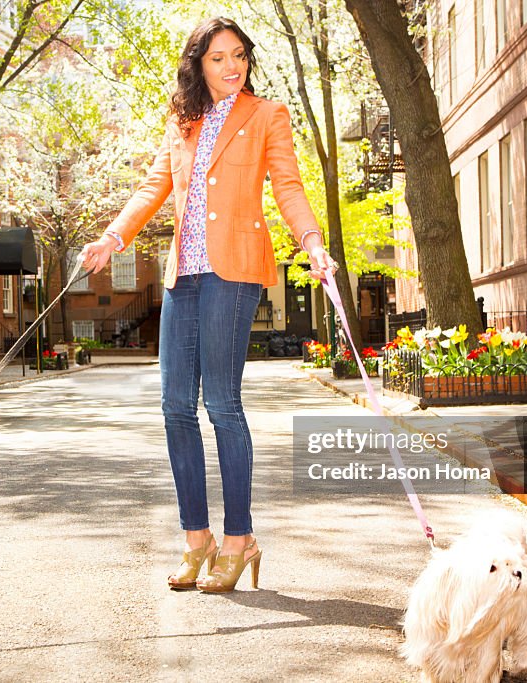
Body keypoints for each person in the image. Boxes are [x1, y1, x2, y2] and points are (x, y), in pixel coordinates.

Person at [81, 16, 336, 593]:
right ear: (199, 64)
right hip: (183, 277)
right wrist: (112, 238)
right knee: (175, 405)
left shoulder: (267, 114)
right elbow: (153, 186)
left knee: (222, 404)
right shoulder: (182, 120)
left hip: (235, 273)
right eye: (218, 57)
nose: (231, 66)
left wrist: (312, 242)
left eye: (239, 55)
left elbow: (288, 185)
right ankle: (198, 541)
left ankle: (241, 539)